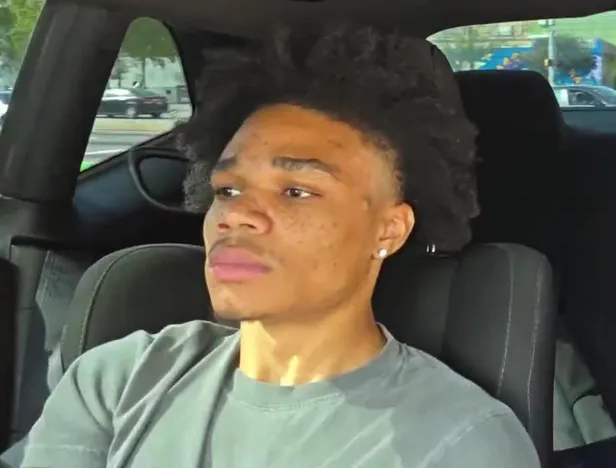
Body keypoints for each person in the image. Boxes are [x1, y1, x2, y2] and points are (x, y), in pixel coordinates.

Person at [21, 26, 539, 468]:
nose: (235, 215)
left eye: (296, 192)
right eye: (228, 190)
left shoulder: (457, 441)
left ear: (389, 230)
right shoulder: (118, 379)